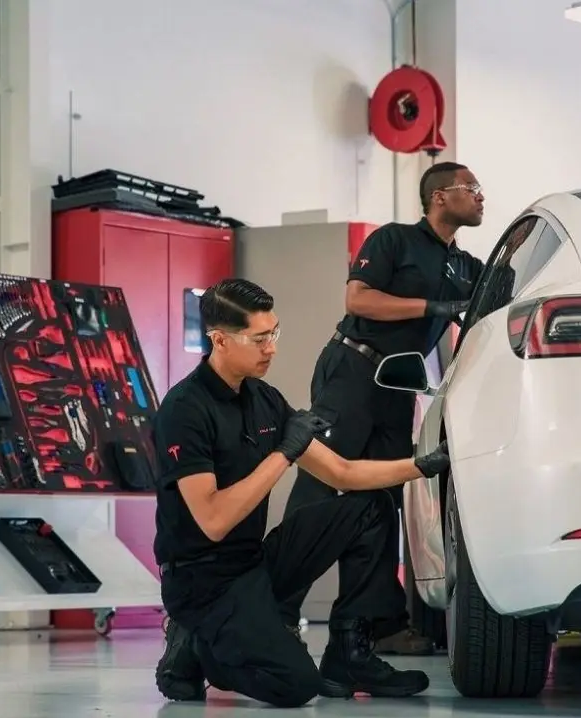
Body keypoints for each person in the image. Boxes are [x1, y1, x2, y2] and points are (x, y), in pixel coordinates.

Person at [153, 278, 452, 708]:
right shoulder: (185, 410)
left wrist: (424, 464)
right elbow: (214, 521)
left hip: (253, 563)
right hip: (202, 582)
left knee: (371, 507)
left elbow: (343, 472)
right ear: (220, 340)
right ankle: (196, 644)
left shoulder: (264, 399)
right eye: (259, 339)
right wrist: (283, 454)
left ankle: (348, 652)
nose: (271, 348)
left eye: (274, 333)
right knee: (296, 685)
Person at [276, 161, 486, 655]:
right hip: (352, 370)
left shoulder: (466, 267)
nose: (481, 196)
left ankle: (377, 624)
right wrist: (433, 308)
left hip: (397, 385)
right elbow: (359, 300)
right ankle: (275, 613)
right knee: (319, 488)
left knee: (383, 501)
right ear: (439, 196)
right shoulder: (394, 240)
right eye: (471, 188)